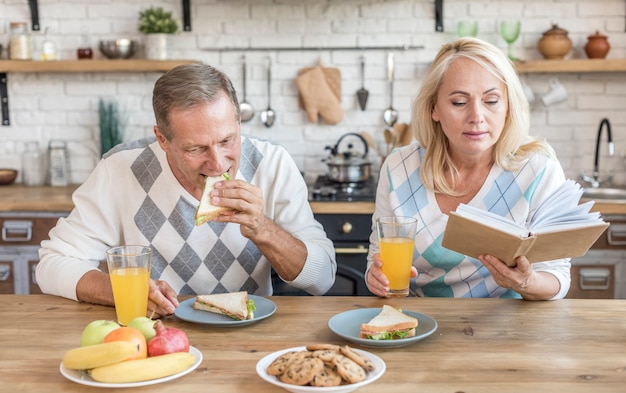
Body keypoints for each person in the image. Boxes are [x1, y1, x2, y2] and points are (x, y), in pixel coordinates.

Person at [37, 63, 337, 317]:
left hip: (250, 337)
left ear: (238, 122)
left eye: (227, 140)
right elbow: (51, 265)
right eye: (195, 148)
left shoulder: (272, 164)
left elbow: (321, 279)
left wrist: (263, 229)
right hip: (156, 333)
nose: (218, 163)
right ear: (162, 139)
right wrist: (124, 291)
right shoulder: (120, 170)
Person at [366, 37, 571, 300]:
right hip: (419, 324)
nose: (477, 116)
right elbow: (377, 258)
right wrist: (376, 277)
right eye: (459, 103)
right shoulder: (398, 167)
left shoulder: (539, 169)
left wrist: (526, 282)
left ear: (508, 106)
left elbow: (558, 277)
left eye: (492, 101)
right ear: (434, 109)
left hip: (508, 329)